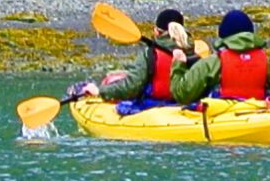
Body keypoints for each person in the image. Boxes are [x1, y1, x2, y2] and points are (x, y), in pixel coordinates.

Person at [72, 9, 212, 110]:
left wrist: (101, 91)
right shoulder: (193, 53)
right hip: (187, 106)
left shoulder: (150, 54)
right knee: (115, 76)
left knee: (113, 81)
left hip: (155, 106)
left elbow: (131, 88)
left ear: (156, 32)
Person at [201, 9, 270, 106]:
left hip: (223, 111)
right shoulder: (265, 60)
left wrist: (179, 65)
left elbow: (185, 92)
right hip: (258, 108)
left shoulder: (215, 61)